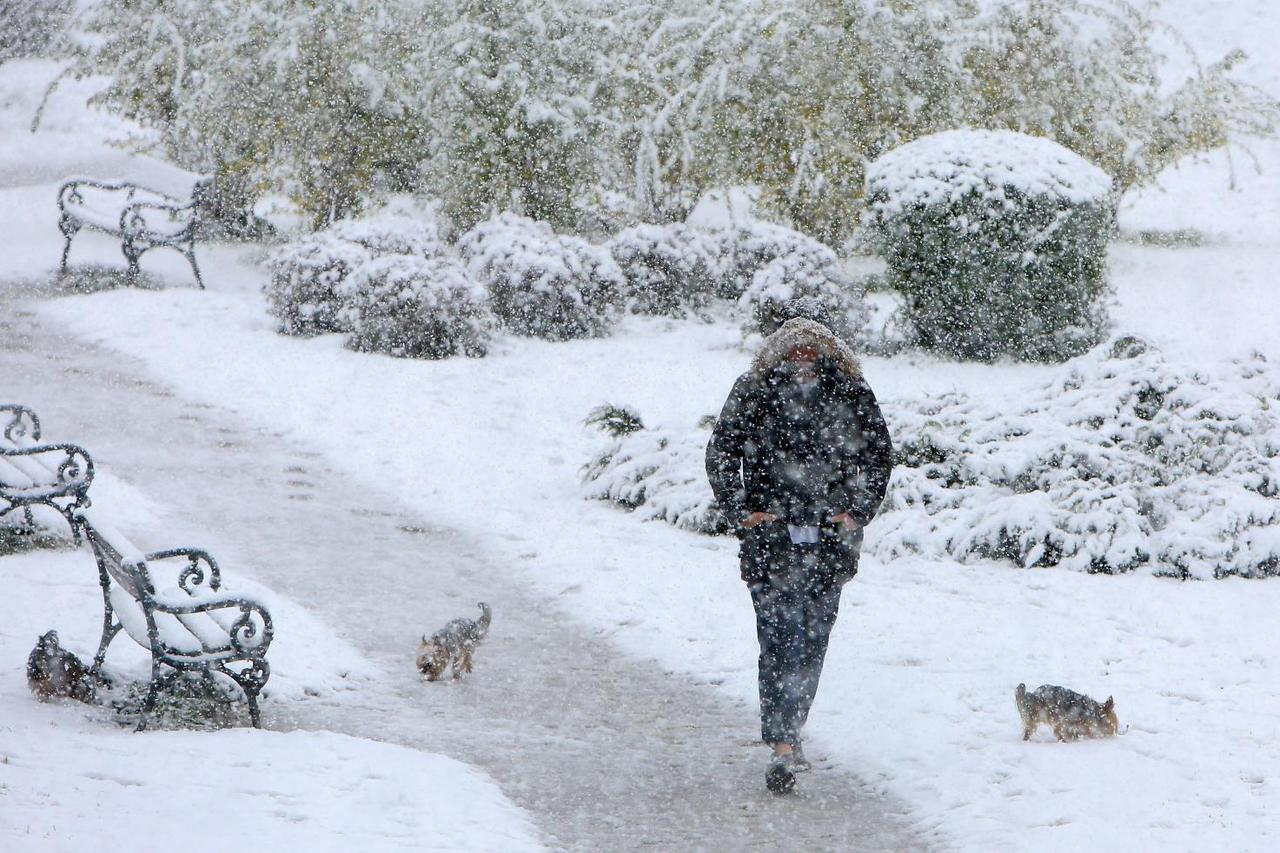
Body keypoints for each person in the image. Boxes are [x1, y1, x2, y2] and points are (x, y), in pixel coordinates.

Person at [705, 317, 894, 793]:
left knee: (812, 639)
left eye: (811, 351)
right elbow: (722, 450)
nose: (802, 358)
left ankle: (793, 726)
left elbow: (878, 454)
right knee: (777, 635)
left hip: (830, 541)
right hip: (772, 541)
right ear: (779, 354)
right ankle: (783, 742)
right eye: (794, 351)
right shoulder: (754, 389)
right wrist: (742, 509)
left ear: (829, 354)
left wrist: (856, 511)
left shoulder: (850, 391)